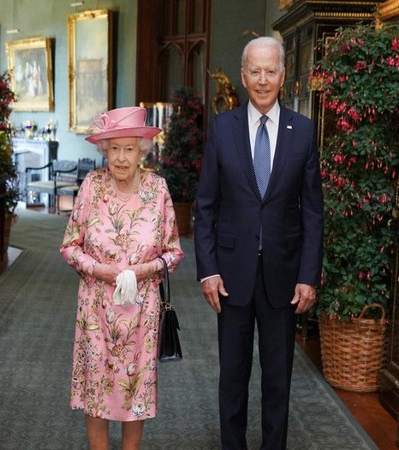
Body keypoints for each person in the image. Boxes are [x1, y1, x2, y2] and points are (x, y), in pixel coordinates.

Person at [194, 36, 324, 450]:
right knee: (232, 377)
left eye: (271, 71)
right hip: (231, 276)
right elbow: (206, 206)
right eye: (255, 71)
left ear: (283, 76)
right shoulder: (223, 128)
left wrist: (308, 275)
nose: (263, 79)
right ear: (243, 75)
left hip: (284, 278)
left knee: (277, 379)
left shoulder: (303, 131)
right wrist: (208, 270)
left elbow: (312, 212)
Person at [61, 106, 184, 450]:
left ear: (142, 150)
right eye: (114, 148)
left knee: (136, 392)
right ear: (104, 150)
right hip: (96, 308)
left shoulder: (158, 189)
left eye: (129, 148)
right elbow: (70, 247)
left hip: (142, 311)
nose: (120, 157)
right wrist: (101, 270)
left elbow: (173, 253)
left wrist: (140, 272)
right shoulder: (91, 186)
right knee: (96, 391)